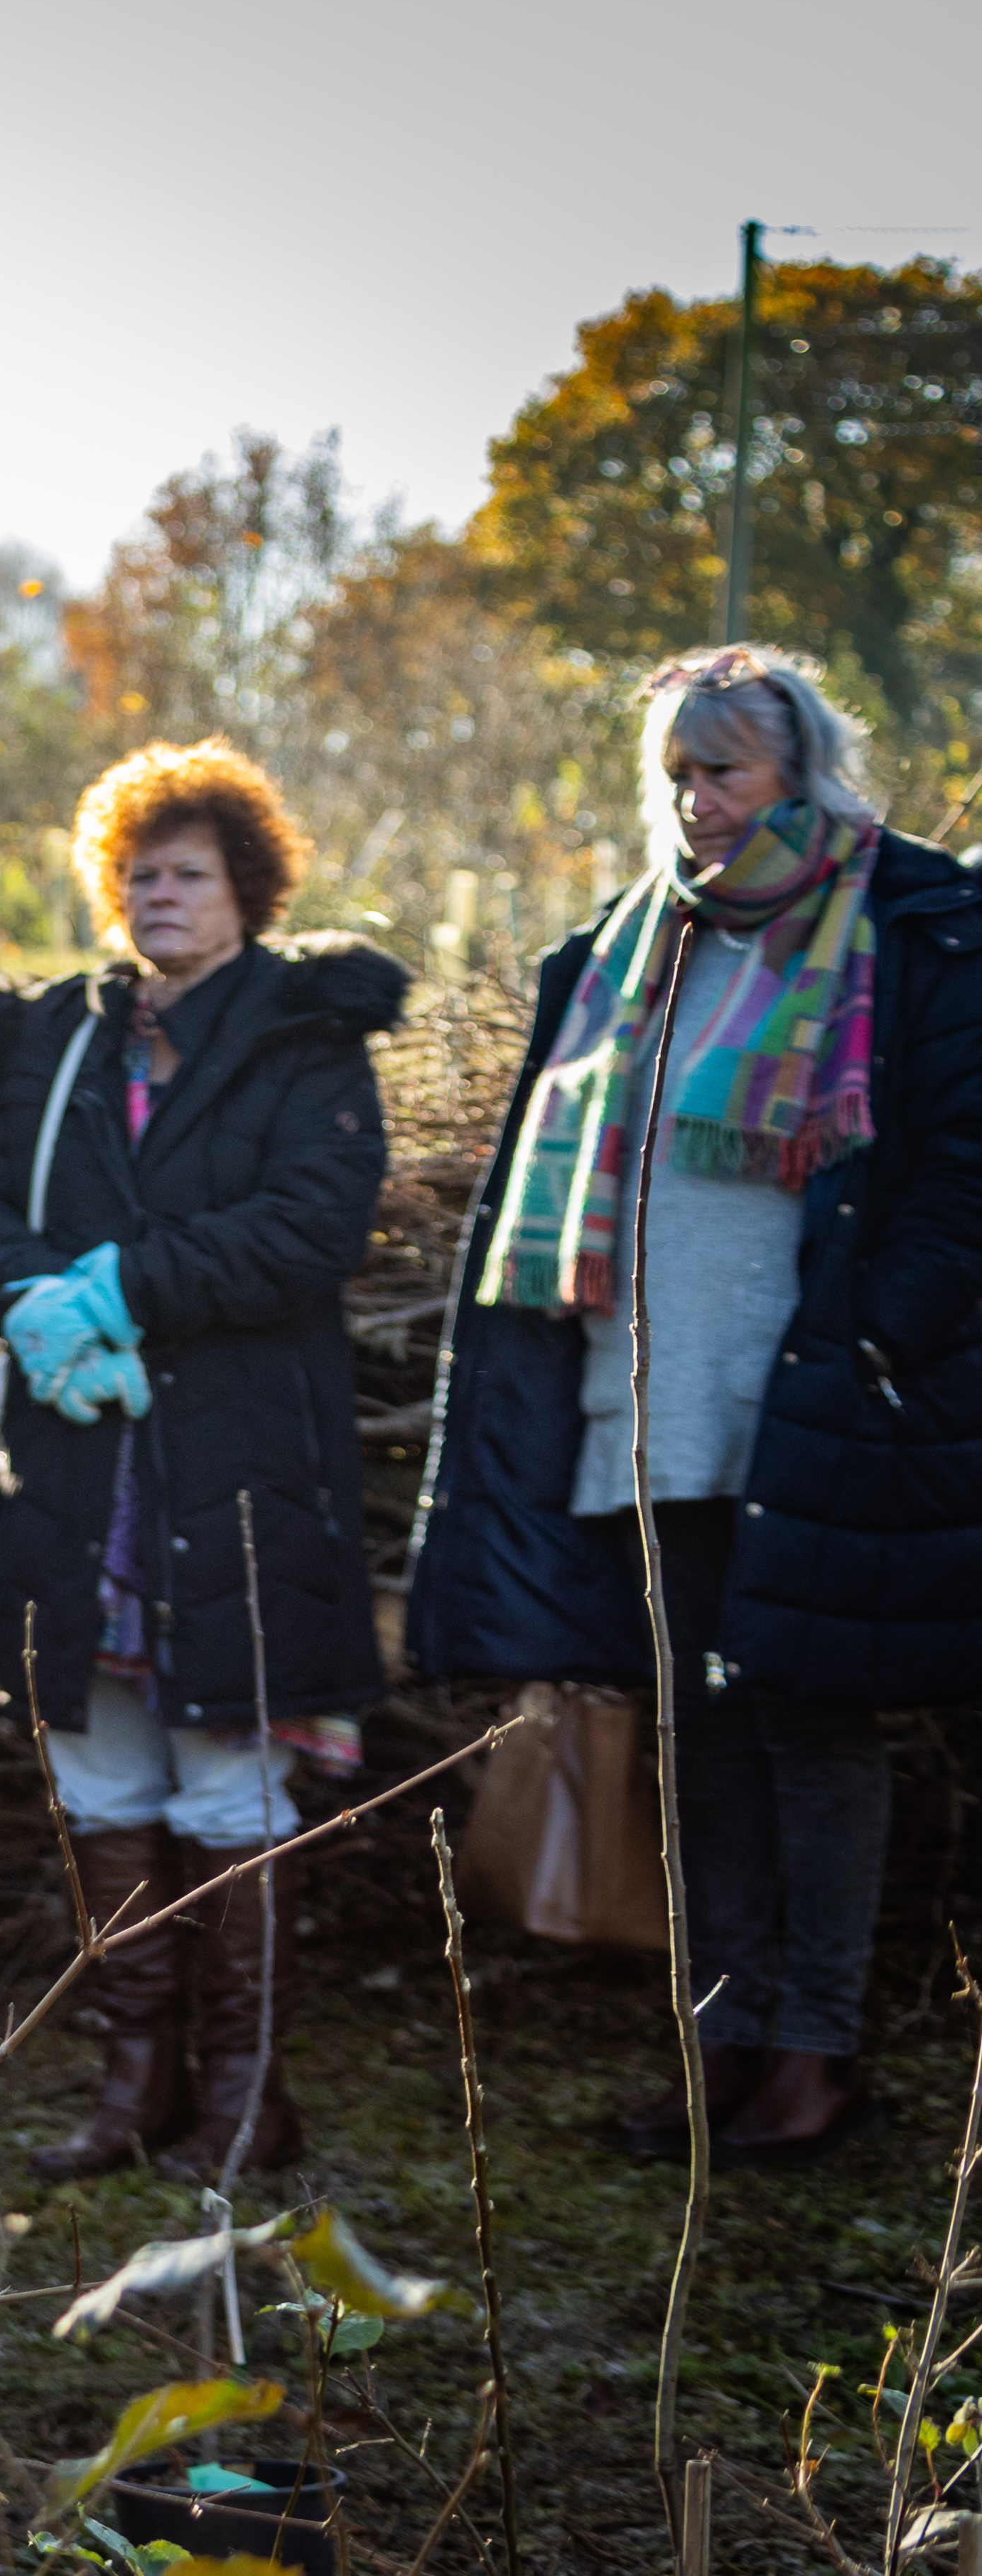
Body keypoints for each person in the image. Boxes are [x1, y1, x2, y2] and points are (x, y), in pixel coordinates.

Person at [412, 646, 982, 2169]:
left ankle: (820, 2053)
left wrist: (877, 1339)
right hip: (650, 1398)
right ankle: (720, 2044)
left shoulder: (915, 924)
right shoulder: (630, 944)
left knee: (814, 1729)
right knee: (701, 1735)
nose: (696, 800)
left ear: (798, 769)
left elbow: (962, 1170)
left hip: (820, 1399)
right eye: (675, 771)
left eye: (722, 769)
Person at [0, 741, 403, 2183]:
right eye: (141, 872)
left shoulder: (302, 1041)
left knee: (224, 1777)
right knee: (99, 1774)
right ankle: (134, 2093)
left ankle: (246, 2103)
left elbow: (314, 1224)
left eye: (191, 873)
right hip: (80, 1474)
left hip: (240, 1468)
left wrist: (125, 1286)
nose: (163, 896)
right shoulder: (58, 1040)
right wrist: (30, 1299)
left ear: (248, 890)